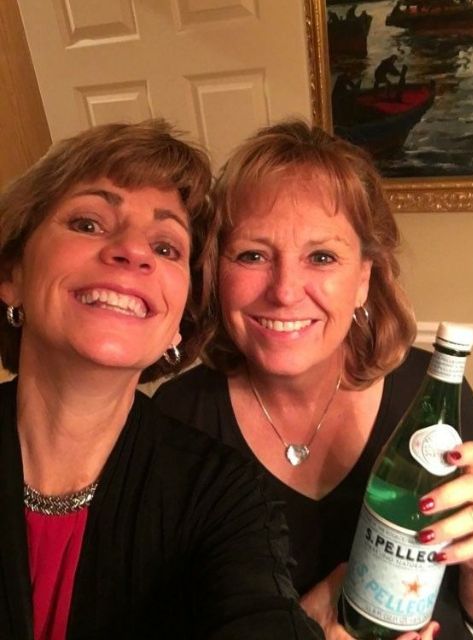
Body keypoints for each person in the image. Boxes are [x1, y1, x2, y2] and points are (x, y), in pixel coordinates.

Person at [154, 120, 473, 640]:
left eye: (321, 257)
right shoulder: (177, 421)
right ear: (215, 271)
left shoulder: (427, 393)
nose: (284, 291)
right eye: (253, 255)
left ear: (363, 278)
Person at [0, 119, 326, 640]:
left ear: (180, 322)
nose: (132, 251)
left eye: (167, 247)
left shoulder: (225, 494)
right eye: (88, 223)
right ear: (12, 273)